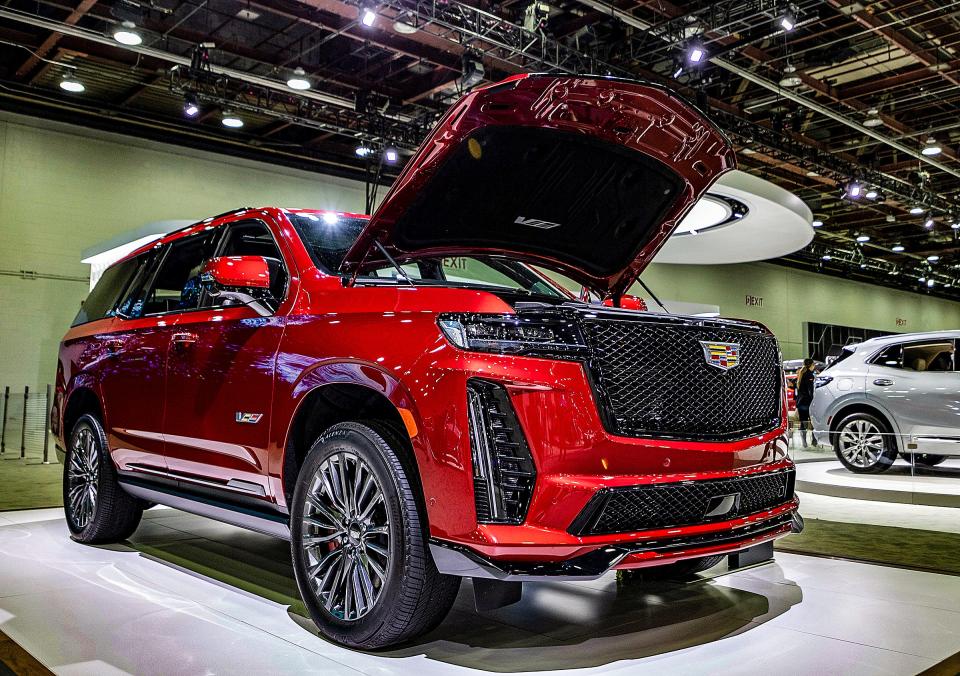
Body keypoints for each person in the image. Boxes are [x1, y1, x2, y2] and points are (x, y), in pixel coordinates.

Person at [795, 358, 817, 448]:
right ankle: (814, 441)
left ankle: (804, 442)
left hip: (800, 403)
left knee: (803, 423)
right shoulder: (809, 375)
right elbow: (810, 391)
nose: (814, 366)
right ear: (810, 365)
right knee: (813, 422)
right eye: (813, 364)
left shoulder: (801, 374)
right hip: (808, 402)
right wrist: (813, 401)